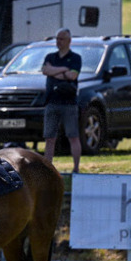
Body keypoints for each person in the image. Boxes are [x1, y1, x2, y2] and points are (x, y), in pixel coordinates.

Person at [42, 28, 82, 173]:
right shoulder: (50, 57)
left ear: (69, 41)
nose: (58, 42)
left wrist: (56, 71)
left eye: (62, 39)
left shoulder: (76, 58)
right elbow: (46, 71)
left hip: (69, 103)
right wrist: (64, 69)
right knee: (49, 137)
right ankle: (48, 168)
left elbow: (72, 76)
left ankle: (76, 168)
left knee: (73, 136)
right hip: (52, 101)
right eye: (57, 39)